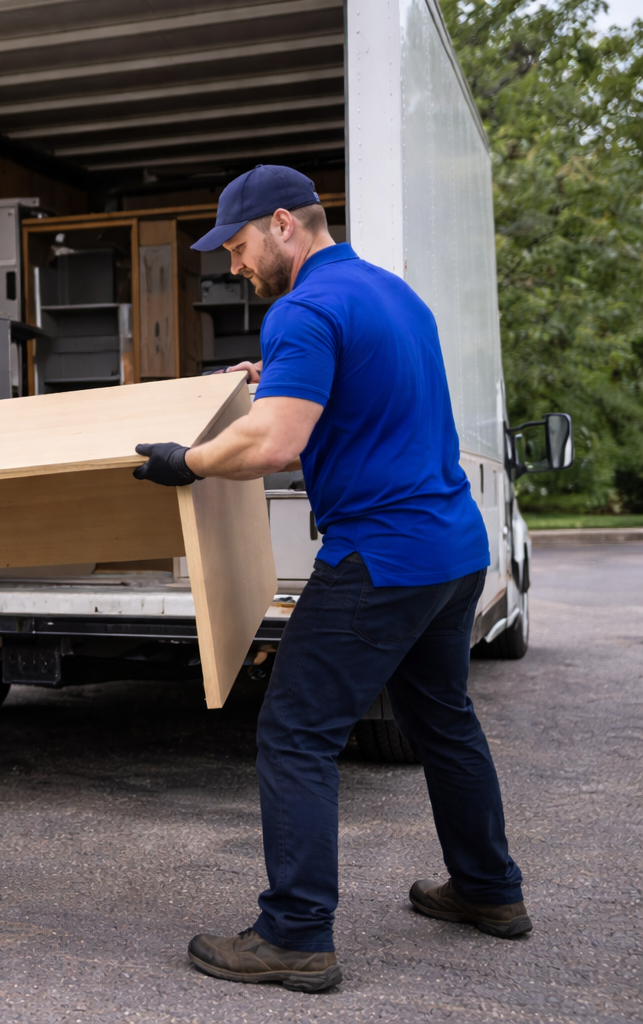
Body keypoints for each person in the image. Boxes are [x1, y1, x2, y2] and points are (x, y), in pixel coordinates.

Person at [132, 165, 529, 992]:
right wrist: (270, 376)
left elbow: (274, 445)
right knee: (444, 719)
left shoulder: (304, 310)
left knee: (295, 731)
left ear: (283, 225)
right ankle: (489, 891)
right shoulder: (389, 293)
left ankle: (296, 934)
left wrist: (189, 462)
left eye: (237, 246)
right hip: (453, 550)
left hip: (380, 555)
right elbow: (361, 390)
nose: (234, 266)